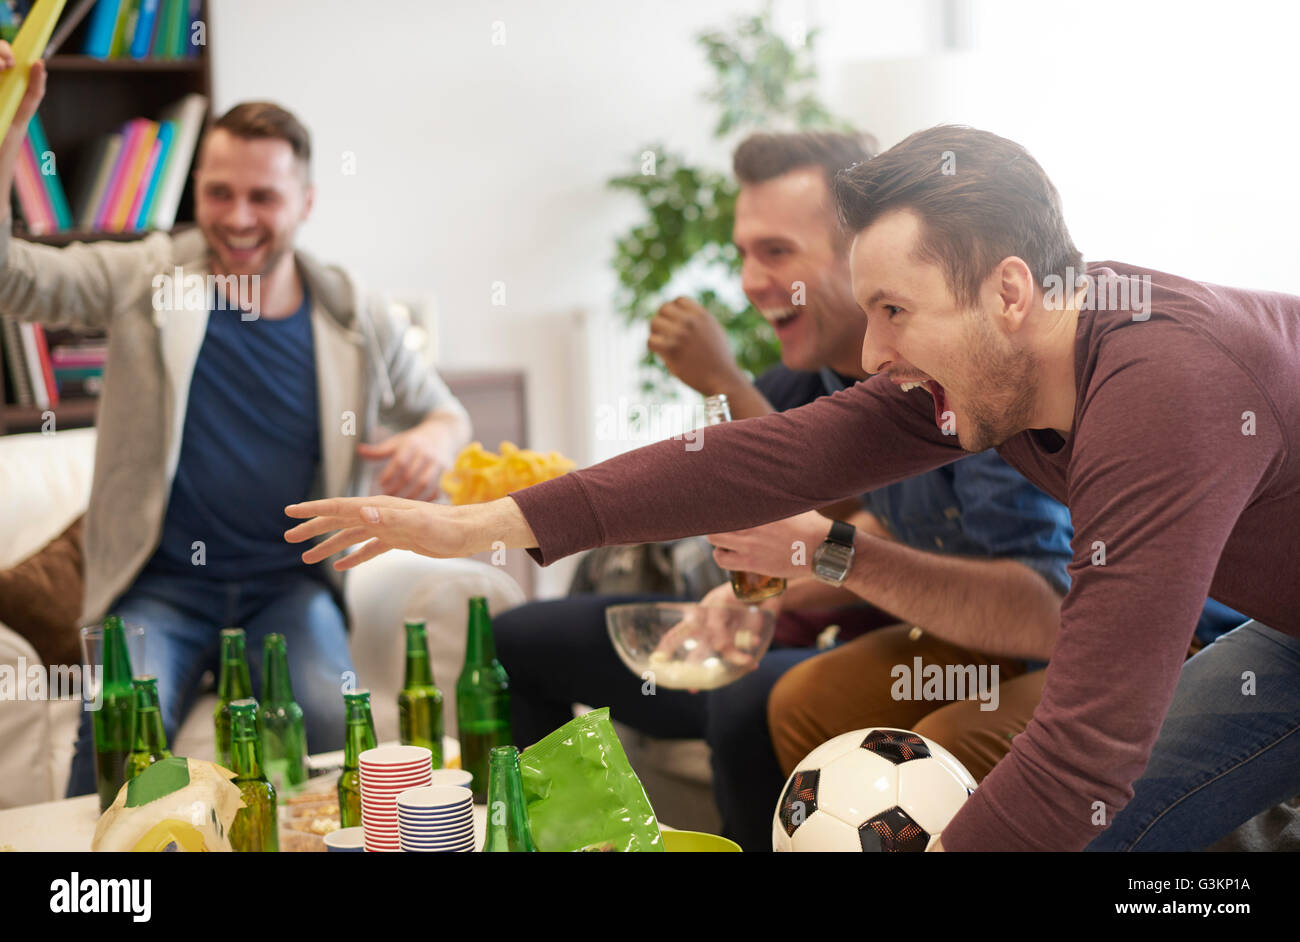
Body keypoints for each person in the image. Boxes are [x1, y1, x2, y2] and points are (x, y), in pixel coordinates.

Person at [286, 123, 1300, 852]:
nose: (873, 350)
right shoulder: (995, 362)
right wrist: (482, 525)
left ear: (1006, 290)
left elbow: (1082, 746)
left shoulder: (1167, 394)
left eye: (895, 310)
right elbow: (765, 462)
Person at [489, 130, 1075, 851]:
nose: (749, 279)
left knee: (758, 699)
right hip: (911, 627)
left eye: (776, 251)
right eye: (743, 252)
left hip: (1015, 640)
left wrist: (812, 547)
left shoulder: (971, 377)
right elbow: (825, 505)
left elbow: (834, 523)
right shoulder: (831, 377)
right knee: (517, 638)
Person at [0, 57, 470, 796]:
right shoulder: (149, 276)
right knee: (125, 731)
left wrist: (433, 438)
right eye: (219, 193)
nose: (239, 217)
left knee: (329, 731)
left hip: (289, 589)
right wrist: (8, 131)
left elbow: (446, 412)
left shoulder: (353, 314)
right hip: (159, 589)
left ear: (306, 201)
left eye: (264, 196)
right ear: (197, 191)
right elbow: (14, 278)